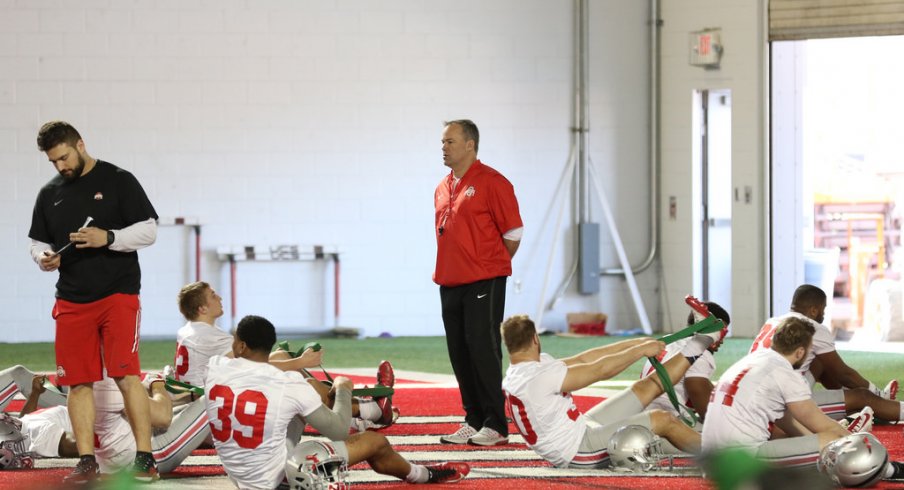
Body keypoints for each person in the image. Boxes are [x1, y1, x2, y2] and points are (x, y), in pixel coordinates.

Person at [27, 121, 160, 483]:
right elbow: (36, 242)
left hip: (117, 294)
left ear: (81, 144)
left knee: (125, 374)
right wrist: (43, 258)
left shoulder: (119, 179)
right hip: (71, 299)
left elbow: (149, 229)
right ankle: (87, 461)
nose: (61, 167)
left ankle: (145, 459)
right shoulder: (49, 193)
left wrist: (109, 237)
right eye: (54, 161)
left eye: (64, 157)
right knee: (77, 381)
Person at [203, 315, 470, 489]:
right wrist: (342, 388)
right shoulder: (287, 385)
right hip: (274, 477)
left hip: (238, 473)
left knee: (304, 389)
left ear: (240, 346)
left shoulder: (214, 367)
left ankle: (370, 410)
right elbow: (338, 430)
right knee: (374, 442)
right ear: (267, 346)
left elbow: (245, 360)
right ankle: (421, 472)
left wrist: (293, 364)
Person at [703, 315, 904, 484]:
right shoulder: (784, 373)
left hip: (712, 459)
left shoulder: (751, 360)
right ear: (800, 352)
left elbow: (787, 420)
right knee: (835, 441)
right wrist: (852, 443)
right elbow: (824, 427)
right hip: (741, 461)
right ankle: (887, 470)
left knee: (827, 441)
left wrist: (813, 442)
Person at [501, 314, 718, 469]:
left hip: (577, 431)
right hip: (578, 451)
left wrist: (638, 343)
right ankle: (724, 457)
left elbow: (585, 358)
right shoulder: (539, 377)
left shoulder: (523, 371)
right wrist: (639, 351)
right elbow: (599, 370)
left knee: (643, 389)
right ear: (535, 338)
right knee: (662, 419)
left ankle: (697, 344)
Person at [175, 281, 398, 429]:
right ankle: (373, 410)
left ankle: (357, 412)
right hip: (224, 406)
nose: (219, 298)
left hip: (210, 395)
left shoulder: (189, 331)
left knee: (280, 356)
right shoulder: (210, 336)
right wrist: (301, 362)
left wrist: (292, 361)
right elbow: (252, 366)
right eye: (213, 296)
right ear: (202, 309)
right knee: (305, 386)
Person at [433, 119, 523, 446]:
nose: (444, 147)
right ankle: (472, 419)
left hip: (484, 279)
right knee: (459, 350)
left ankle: (496, 424)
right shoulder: (443, 186)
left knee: (483, 348)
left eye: (450, 142)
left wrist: (492, 264)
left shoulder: (494, 182)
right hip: (449, 280)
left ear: (470, 144)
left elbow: (513, 232)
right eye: (443, 142)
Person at [2, 373, 207, 475]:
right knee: (216, 398)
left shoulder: (26, 429)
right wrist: (157, 384)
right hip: (153, 449)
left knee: (193, 409)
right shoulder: (39, 437)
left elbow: (24, 421)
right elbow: (78, 444)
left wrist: (35, 395)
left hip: (137, 435)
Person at [750, 284, 900, 422]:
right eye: (824, 309)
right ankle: (872, 403)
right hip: (777, 406)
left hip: (756, 393)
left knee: (819, 361)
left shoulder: (772, 321)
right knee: (864, 396)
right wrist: (876, 393)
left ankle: (852, 406)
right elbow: (843, 374)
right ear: (814, 310)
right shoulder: (812, 328)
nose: (823, 314)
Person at [641, 301, 731, 423]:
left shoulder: (669, 342)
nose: (721, 340)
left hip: (641, 409)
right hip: (661, 420)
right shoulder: (698, 353)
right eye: (721, 333)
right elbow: (705, 410)